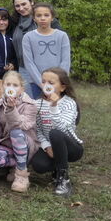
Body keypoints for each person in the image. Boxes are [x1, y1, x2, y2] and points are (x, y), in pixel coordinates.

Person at [0, 70, 39, 193]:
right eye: (8, 84)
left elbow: (21, 125)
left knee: (15, 132)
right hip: (8, 146)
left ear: (22, 89)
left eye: (15, 85)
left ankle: (21, 175)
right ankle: (15, 166)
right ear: (3, 87)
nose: (11, 88)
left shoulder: (30, 105)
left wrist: (11, 109)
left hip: (27, 145)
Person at [31, 67, 83, 197]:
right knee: (38, 165)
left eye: (51, 83)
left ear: (62, 87)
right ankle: (55, 169)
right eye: (43, 82)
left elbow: (62, 129)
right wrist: (46, 146)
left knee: (55, 133)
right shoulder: (38, 104)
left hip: (71, 147)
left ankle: (63, 179)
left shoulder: (69, 104)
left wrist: (53, 107)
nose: (46, 85)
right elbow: (38, 130)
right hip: (50, 146)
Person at [11, 0, 61, 95]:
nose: (21, 8)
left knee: (48, 99)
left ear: (32, 2)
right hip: (24, 69)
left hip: (44, 68)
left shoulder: (47, 20)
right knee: (29, 102)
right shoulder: (15, 22)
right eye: (17, 6)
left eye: (24, 4)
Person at [22, 3, 71, 99]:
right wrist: (42, 84)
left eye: (46, 15)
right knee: (41, 111)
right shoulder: (28, 37)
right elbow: (29, 63)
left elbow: (65, 61)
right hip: (37, 83)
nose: (42, 18)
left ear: (52, 17)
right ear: (34, 18)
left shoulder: (62, 36)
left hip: (58, 84)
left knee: (58, 109)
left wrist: (58, 82)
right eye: (39, 15)